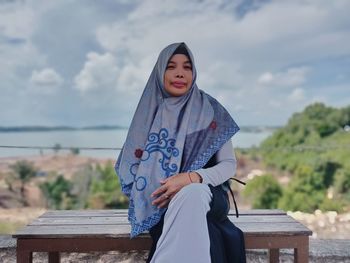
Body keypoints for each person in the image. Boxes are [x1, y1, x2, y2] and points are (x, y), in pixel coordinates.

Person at [115, 42, 246, 263]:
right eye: (171, 66)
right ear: (160, 72)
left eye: (187, 67)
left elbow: (228, 165)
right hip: (160, 203)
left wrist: (191, 178)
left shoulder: (211, 111)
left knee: (191, 193)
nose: (180, 73)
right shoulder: (148, 113)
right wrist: (160, 188)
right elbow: (131, 167)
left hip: (208, 196)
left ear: (194, 73)